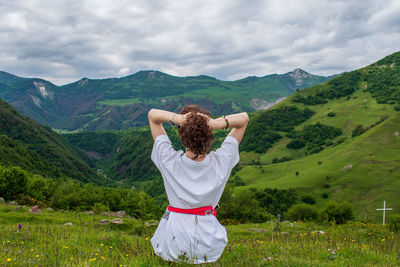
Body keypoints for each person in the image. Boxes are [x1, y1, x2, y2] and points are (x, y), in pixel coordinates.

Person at [148, 105, 248, 264]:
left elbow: (153, 115)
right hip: (210, 247)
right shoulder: (222, 162)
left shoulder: (169, 161)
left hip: (172, 246)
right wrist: (215, 123)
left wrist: (180, 119)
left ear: (181, 137)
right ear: (210, 135)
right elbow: (243, 119)